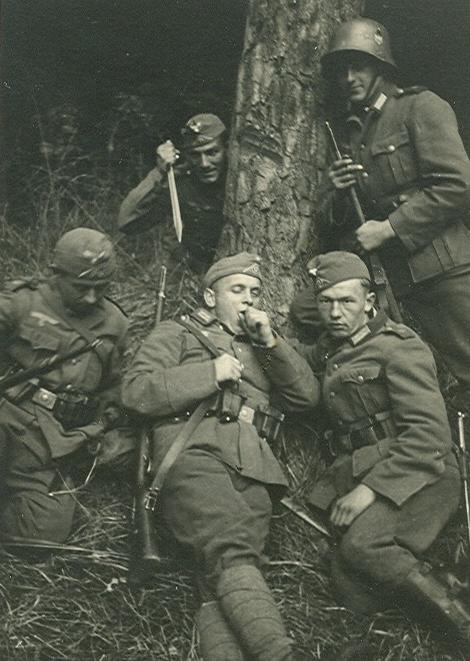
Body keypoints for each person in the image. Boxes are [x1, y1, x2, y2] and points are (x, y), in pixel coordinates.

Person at [122, 252, 319, 661]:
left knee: (218, 575)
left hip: (254, 464)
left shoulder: (263, 345)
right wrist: (209, 373)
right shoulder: (177, 332)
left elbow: (306, 398)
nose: (248, 299)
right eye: (237, 290)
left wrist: (271, 343)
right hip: (195, 450)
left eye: (255, 292)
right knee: (231, 552)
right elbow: (136, 392)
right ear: (211, 298)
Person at [297, 251, 470, 649]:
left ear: (369, 301)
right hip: (375, 469)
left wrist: (369, 491)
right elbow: (297, 358)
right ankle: (446, 578)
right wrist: (266, 341)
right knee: (351, 588)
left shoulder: (399, 347)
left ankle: (461, 625)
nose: (335, 312)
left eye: (347, 301)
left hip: (425, 472)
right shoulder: (332, 348)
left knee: (362, 547)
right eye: (326, 301)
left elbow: (429, 436)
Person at [292, 18, 470, 393]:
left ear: (381, 67)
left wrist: (389, 229)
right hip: (389, 278)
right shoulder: (350, 131)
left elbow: (458, 186)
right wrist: (337, 191)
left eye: (359, 67)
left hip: (442, 271)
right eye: (342, 70)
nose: (349, 78)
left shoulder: (419, 107)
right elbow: (345, 219)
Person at [0, 228, 132, 544]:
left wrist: (97, 427)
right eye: (82, 287)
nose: (92, 297)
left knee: (39, 535)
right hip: (7, 419)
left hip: (49, 443)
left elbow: (112, 387)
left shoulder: (115, 324)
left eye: (101, 287)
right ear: (56, 274)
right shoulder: (21, 303)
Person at [118, 113, 227, 270]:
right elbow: (127, 222)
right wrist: (159, 171)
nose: (204, 164)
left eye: (212, 153)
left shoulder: (240, 182)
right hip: (192, 272)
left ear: (226, 148)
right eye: (195, 155)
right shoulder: (180, 183)